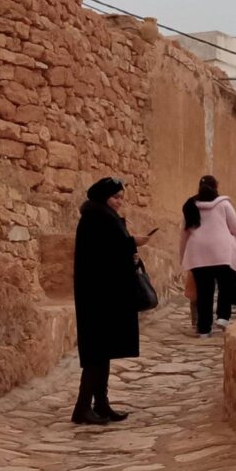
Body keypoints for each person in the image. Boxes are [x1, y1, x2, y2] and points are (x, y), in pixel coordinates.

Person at [71, 177, 151, 425]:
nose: (119, 202)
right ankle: (82, 408)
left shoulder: (103, 216)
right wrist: (131, 243)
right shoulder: (96, 219)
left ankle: (101, 404)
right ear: (104, 196)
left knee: (102, 352)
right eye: (116, 197)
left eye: (121, 198)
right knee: (96, 353)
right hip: (98, 297)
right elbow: (102, 254)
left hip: (104, 296)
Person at [180, 174, 236, 336]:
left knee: (204, 292)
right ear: (216, 186)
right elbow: (235, 226)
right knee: (225, 287)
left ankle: (204, 329)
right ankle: (223, 317)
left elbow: (184, 233)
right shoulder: (223, 204)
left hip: (198, 254)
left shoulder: (190, 205)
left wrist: (183, 257)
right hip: (222, 252)